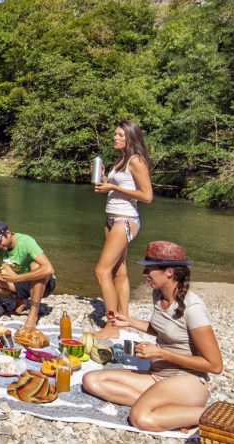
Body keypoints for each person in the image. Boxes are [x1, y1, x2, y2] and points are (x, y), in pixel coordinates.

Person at [81, 241, 223, 432]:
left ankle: (210, 414)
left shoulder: (193, 308)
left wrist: (162, 354)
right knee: (91, 380)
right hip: (158, 376)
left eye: (149, 269)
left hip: (187, 381)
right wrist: (130, 322)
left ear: (169, 272)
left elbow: (215, 365)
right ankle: (172, 412)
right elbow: (163, 330)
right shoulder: (158, 295)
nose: (144, 274)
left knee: (141, 418)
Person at [93, 120, 153, 339]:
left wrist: (113, 186)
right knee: (119, 271)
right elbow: (111, 189)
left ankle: (111, 325)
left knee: (101, 271)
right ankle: (124, 320)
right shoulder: (120, 161)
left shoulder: (136, 161)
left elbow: (147, 196)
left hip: (126, 220)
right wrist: (102, 180)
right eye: (114, 134)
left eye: (119, 134)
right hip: (111, 219)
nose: (115, 137)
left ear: (130, 137)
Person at [0, 221, 56, 329]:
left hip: (44, 284)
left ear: (7, 234)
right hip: (19, 282)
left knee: (36, 265)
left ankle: (33, 314)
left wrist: (17, 278)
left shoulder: (26, 242)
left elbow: (49, 269)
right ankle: (21, 301)